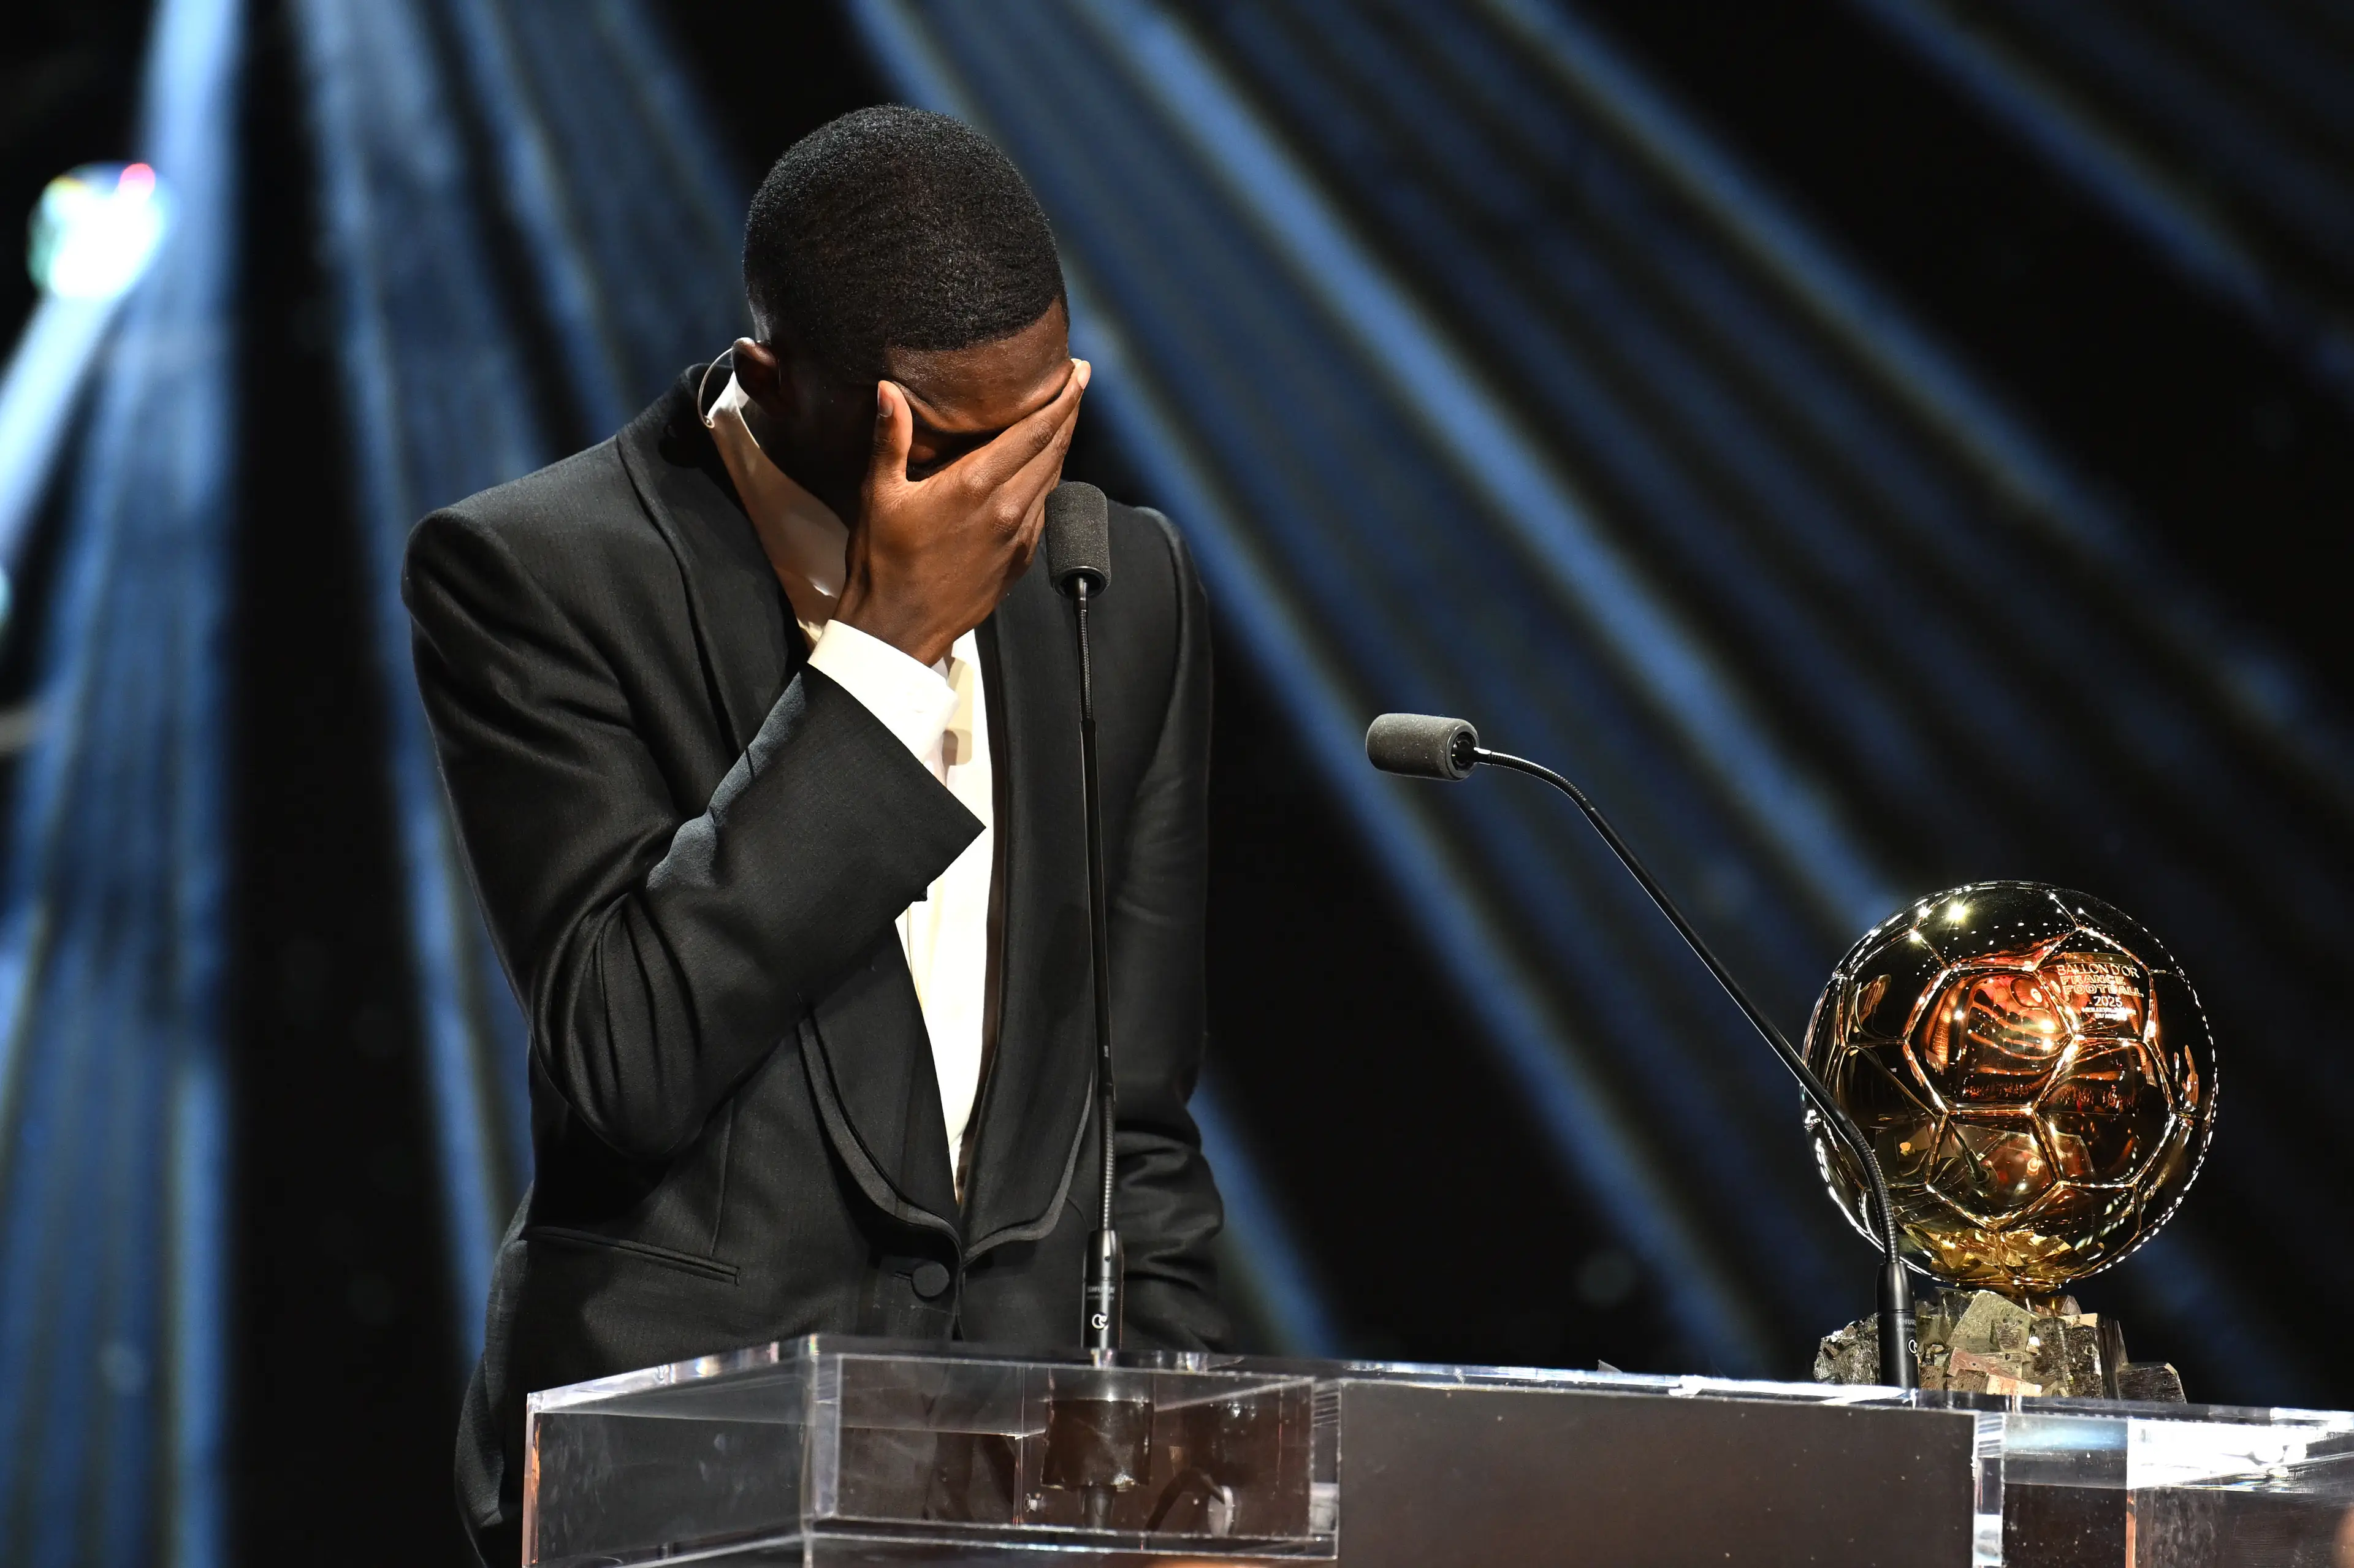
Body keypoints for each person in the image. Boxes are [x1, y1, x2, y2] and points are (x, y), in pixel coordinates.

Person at [402, 105, 1228, 1566]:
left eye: (1053, 423)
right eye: (967, 446)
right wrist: (887, 656)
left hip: (1022, 1494)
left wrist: (1173, 1457)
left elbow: (1136, 1120)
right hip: (685, 1483)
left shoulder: (1124, 585)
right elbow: (622, 1056)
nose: (1021, 496)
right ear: (779, 384)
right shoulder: (537, 576)